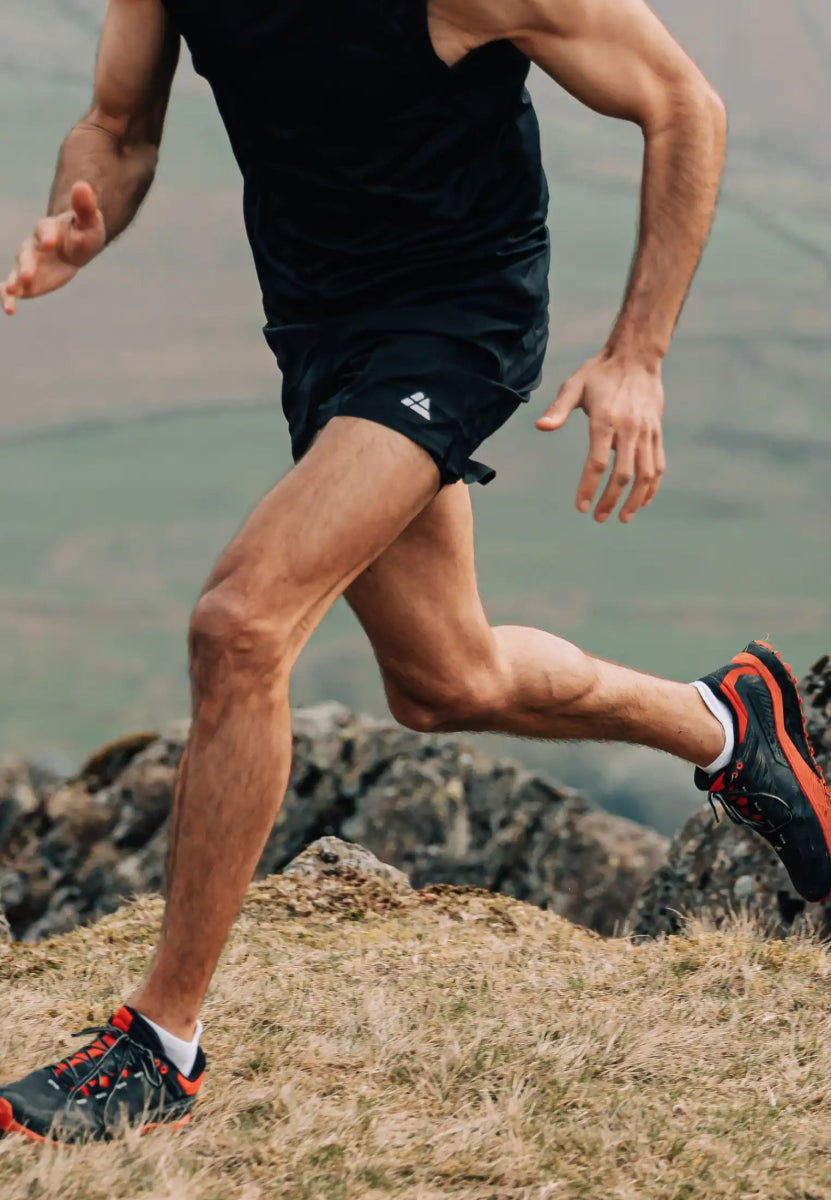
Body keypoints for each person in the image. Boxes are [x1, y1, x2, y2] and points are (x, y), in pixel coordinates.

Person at [1, 0, 828, 1146]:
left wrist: (637, 355)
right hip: (322, 327)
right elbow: (117, 126)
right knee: (446, 678)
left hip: (455, 320)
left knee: (239, 625)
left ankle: (158, 1047)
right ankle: (731, 724)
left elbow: (685, 104)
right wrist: (76, 215)